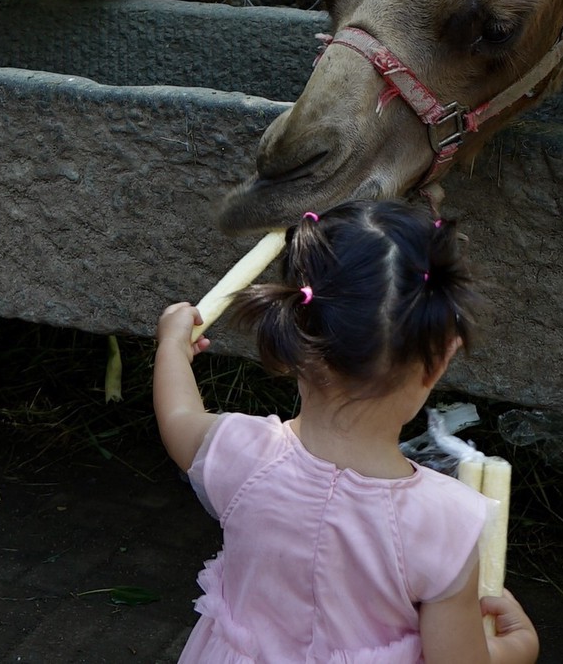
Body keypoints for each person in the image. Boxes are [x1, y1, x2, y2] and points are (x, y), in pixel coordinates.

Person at [153, 202, 540, 664]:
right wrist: (515, 649)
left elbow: (177, 416)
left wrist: (172, 346)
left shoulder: (244, 456)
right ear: (439, 361)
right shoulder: (446, 524)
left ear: (295, 332)